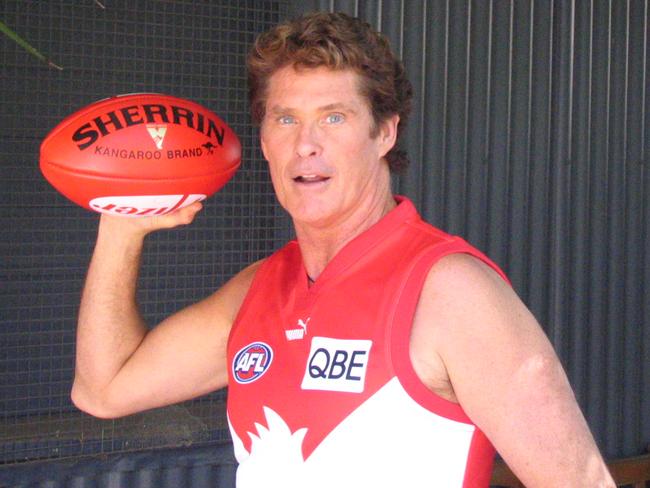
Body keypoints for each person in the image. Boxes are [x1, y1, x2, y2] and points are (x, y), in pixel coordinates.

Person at [71, 11, 615, 488]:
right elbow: (104, 389)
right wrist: (120, 229)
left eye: (334, 117)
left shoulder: (449, 290)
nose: (306, 144)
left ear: (385, 133)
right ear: (263, 141)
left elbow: (582, 480)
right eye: (285, 119)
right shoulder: (258, 289)